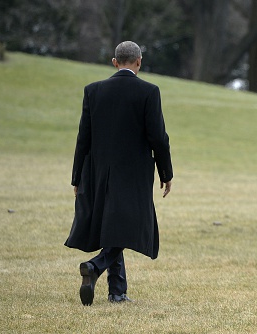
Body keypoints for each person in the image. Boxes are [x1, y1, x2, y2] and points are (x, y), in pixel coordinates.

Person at [64, 41, 173, 305]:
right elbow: (158, 136)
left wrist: (77, 176)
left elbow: (83, 138)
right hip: (134, 173)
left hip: (98, 171)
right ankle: (96, 265)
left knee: (114, 226)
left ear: (115, 62)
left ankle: (117, 292)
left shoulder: (94, 91)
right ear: (139, 61)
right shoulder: (149, 91)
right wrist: (166, 172)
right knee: (126, 227)